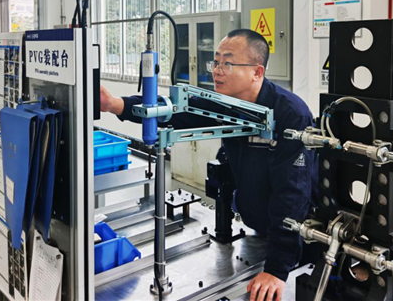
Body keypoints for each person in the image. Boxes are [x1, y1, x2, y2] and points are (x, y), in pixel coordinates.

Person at [100, 29, 317, 301]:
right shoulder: (226, 104)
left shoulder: (290, 115)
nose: (217, 70)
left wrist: (276, 269)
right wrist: (117, 104)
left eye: (228, 63)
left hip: (299, 238)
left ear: (257, 72)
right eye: (216, 62)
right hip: (257, 226)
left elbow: (292, 195)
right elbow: (176, 111)